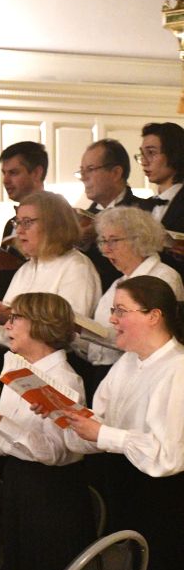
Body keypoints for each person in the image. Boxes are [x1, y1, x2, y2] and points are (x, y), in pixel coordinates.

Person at [0, 293, 93, 570]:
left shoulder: (63, 379)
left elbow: (56, 453)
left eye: (16, 318)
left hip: (51, 495)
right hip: (19, 486)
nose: (8, 325)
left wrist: (1, 423)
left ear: (41, 325)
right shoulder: (19, 373)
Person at [60, 276, 184, 570]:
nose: (112, 319)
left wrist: (102, 433)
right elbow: (101, 424)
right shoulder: (127, 362)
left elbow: (167, 455)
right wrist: (67, 417)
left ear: (153, 316)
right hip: (124, 490)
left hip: (161, 502)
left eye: (120, 310)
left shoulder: (177, 369)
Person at [78, 207, 184, 399]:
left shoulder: (163, 276)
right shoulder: (117, 283)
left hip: (146, 377)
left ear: (140, 239)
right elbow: (100, 347)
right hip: (108, 373)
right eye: (102, 241)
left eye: (113, 240)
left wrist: (85, 331)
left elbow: (150, 337)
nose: (106, 249)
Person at [0, 191, 101, 339]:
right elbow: (5, 334)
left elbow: (70, 333)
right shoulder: (26, 269)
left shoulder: (76, 267)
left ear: (53, 225)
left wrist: (11, 318)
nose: (19, 230)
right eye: (17, 222)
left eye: (27, 222)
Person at [77, 139, 140, 290]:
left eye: (90, 169)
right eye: (82, 171)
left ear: (116, 173)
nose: (83, 177)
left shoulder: (142, 212)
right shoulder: (81, 218)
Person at [0, 141, 47, 301]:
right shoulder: (10, 223)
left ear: (36, 173)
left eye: (14, 173)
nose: (6, 180)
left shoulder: (54, 219)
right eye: (4, 173)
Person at [137, 122, 184, 277]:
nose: (144, 161)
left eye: (151, 153)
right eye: (142, 154)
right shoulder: (141, 207)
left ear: (174, 154)